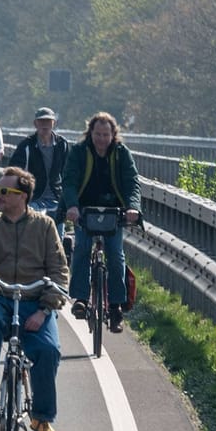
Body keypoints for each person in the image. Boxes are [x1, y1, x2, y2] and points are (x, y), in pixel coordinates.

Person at [0, 166, 69, 431]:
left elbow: (59, 271)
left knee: (48, 351)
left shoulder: (44, 226)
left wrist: (45, 309)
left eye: (4, 192)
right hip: (0, 296)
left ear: (22, 196)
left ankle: (41, 418)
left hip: (35, 301)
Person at [59, 111, 141, 332]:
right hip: (84, 211)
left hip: (114, 212)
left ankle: (115, 307)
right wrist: (72, 206)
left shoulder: (121, 154)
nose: (101, 139)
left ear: (113, 134)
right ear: (90, 133)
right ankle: (81, 299)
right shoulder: (78, 152)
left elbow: (132, 182)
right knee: (83, 249)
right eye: (98, 134)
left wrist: (133, 207)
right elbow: (69, 181)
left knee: (115, 255)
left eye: (106, 134)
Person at [7, 106, 69, 230]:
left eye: (48, 121)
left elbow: (67, 172)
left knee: (57, 239)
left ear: (54, 123)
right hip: (33, 198)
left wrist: (66, 197)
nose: (45, 125)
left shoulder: (62, 144)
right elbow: (14, 171)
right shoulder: (27, 145)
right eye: (41, 121)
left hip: (56, 197)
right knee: (35, 233)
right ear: (35, 124)